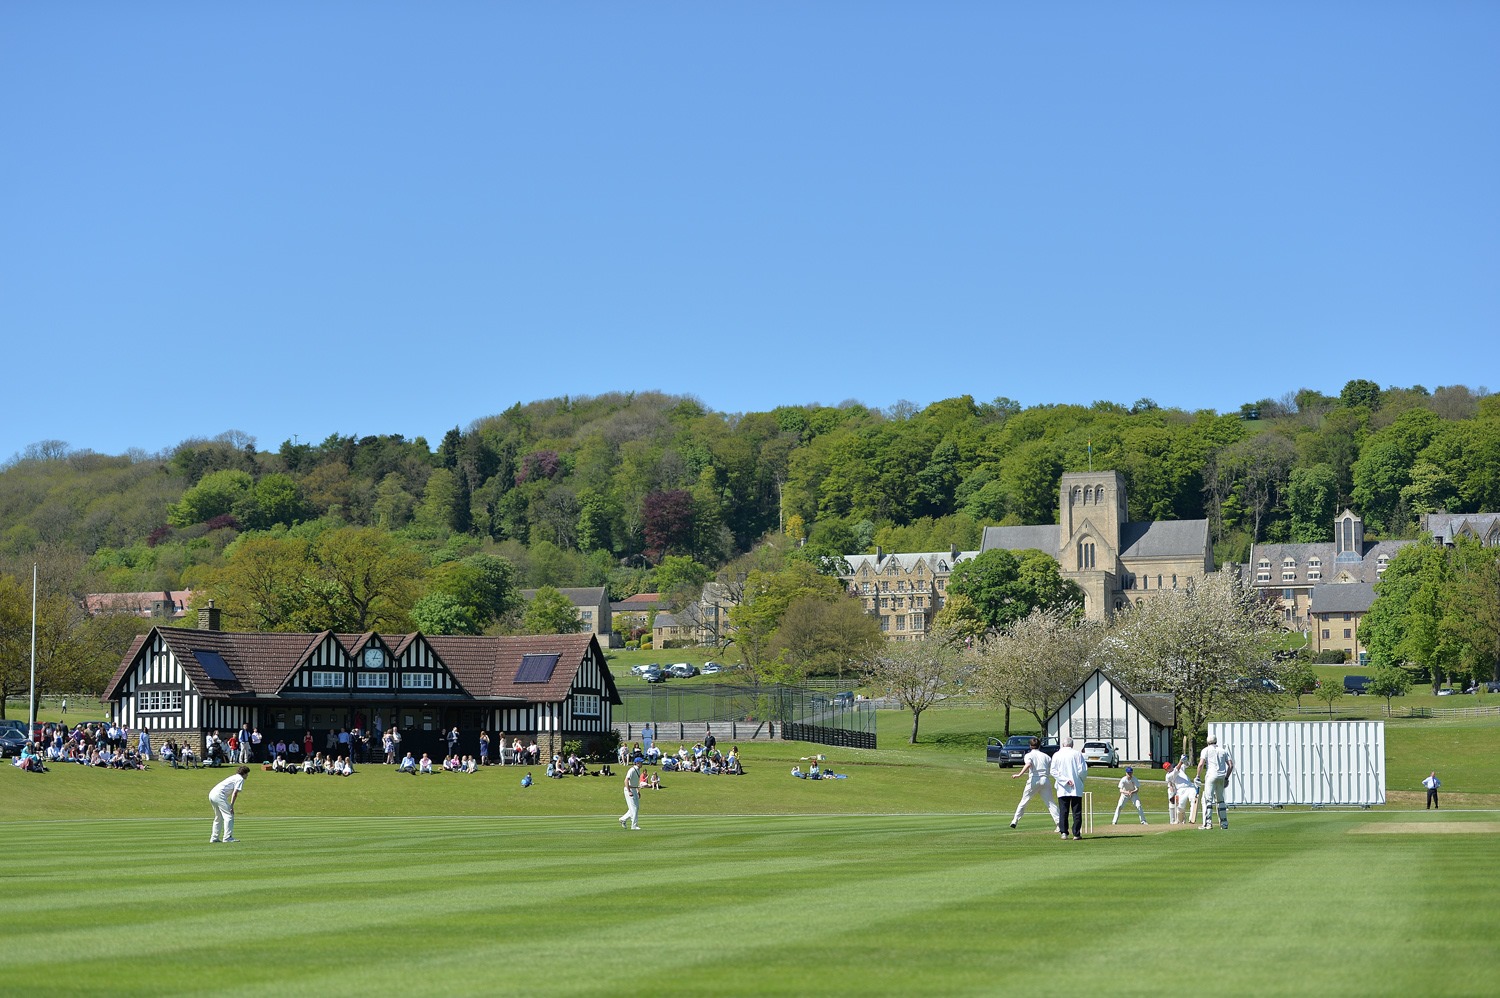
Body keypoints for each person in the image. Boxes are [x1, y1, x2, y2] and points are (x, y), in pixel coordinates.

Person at [1009, 737, 1060, 830]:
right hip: (1045, 779)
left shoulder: (1029, 755)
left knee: (1024, 801)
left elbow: (1028, 764)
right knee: (1050, 803)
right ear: (1039, 745)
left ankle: (1015, 820)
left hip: (1034, 780)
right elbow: (1053, 769)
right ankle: (1059, 824)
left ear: (1030, 745)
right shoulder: (1046, 756)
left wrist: (1019, 774)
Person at [1051, 737, 1089, 840]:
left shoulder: (1057, 755)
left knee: (1063, 811)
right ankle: (1076, 833)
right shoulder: (1077, 754)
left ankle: (1064, 833)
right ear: (1072, 745)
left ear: (1063, 745)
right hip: (1075, 786)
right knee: (1076, 811)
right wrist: (1079, 780)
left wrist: (1064, 780)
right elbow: (1082, 770)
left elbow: (1053, 771)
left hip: (1062, 787)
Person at [1195, 735, 1234, 830]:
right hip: (1221, 776)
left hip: (1211, 776)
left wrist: (1198, 776)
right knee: (1220, 800)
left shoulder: (1205, 750)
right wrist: (1226, 778)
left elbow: (1200, 764)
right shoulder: (1223, 750)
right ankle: (1224, 823)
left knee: (1208, 800)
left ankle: (1208, 823)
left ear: (1207, 742)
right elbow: (1231, 765)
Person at [209, 766, 250, 843]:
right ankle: (227, 837)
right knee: (229, 816)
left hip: (212, 794)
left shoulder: (234, 777)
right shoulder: (240, 779)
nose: (247, 776)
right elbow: (235, 793)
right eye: (247, 774)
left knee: (219, 817)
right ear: (244, 773)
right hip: (218, 795)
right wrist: (231, 806)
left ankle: (214, 838)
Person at [620, 758, 642, 830]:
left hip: (634, 789)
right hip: (629, 789)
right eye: (640, 762)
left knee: (636, 807)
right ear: (637, 763)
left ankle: (623, 819)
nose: (642, 763)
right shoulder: (632, 770)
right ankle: (634, 825)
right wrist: (629, 791)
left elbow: (636, 782)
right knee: (634, 808)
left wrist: (638, 790)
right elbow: (626, 780)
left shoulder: (638, 770)